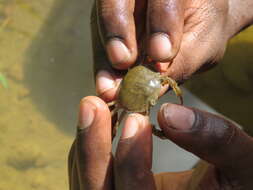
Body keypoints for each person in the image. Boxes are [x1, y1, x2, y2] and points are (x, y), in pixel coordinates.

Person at [69, 0, 253, 189]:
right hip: (131, 91)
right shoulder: (145, 73)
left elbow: (170, 81)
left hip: (142, 82)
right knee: (117, 124)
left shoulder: (158, 75)